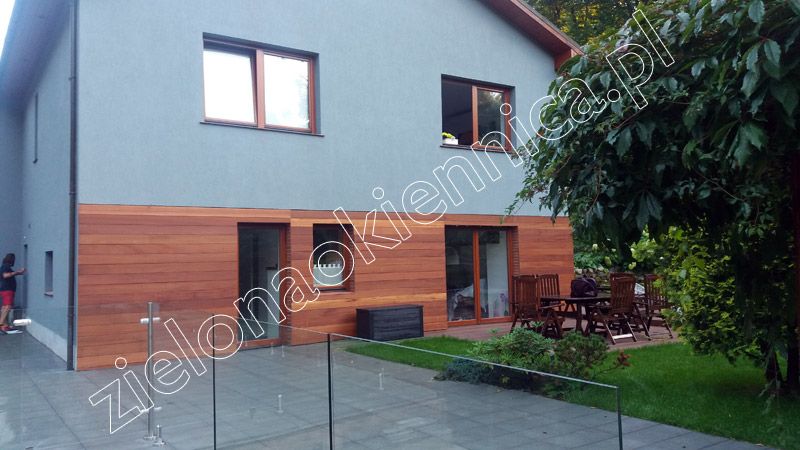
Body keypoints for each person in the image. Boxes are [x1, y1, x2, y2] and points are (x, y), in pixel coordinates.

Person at [0, 253, 25, 332]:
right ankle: (1, 325)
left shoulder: (5, 266)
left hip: (6, 290)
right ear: (11, 260)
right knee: (7, 307)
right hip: (7, 290)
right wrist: (17, 272)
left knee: (5, 307)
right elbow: (5, 275)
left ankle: (5, 326)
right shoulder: (5, 266)